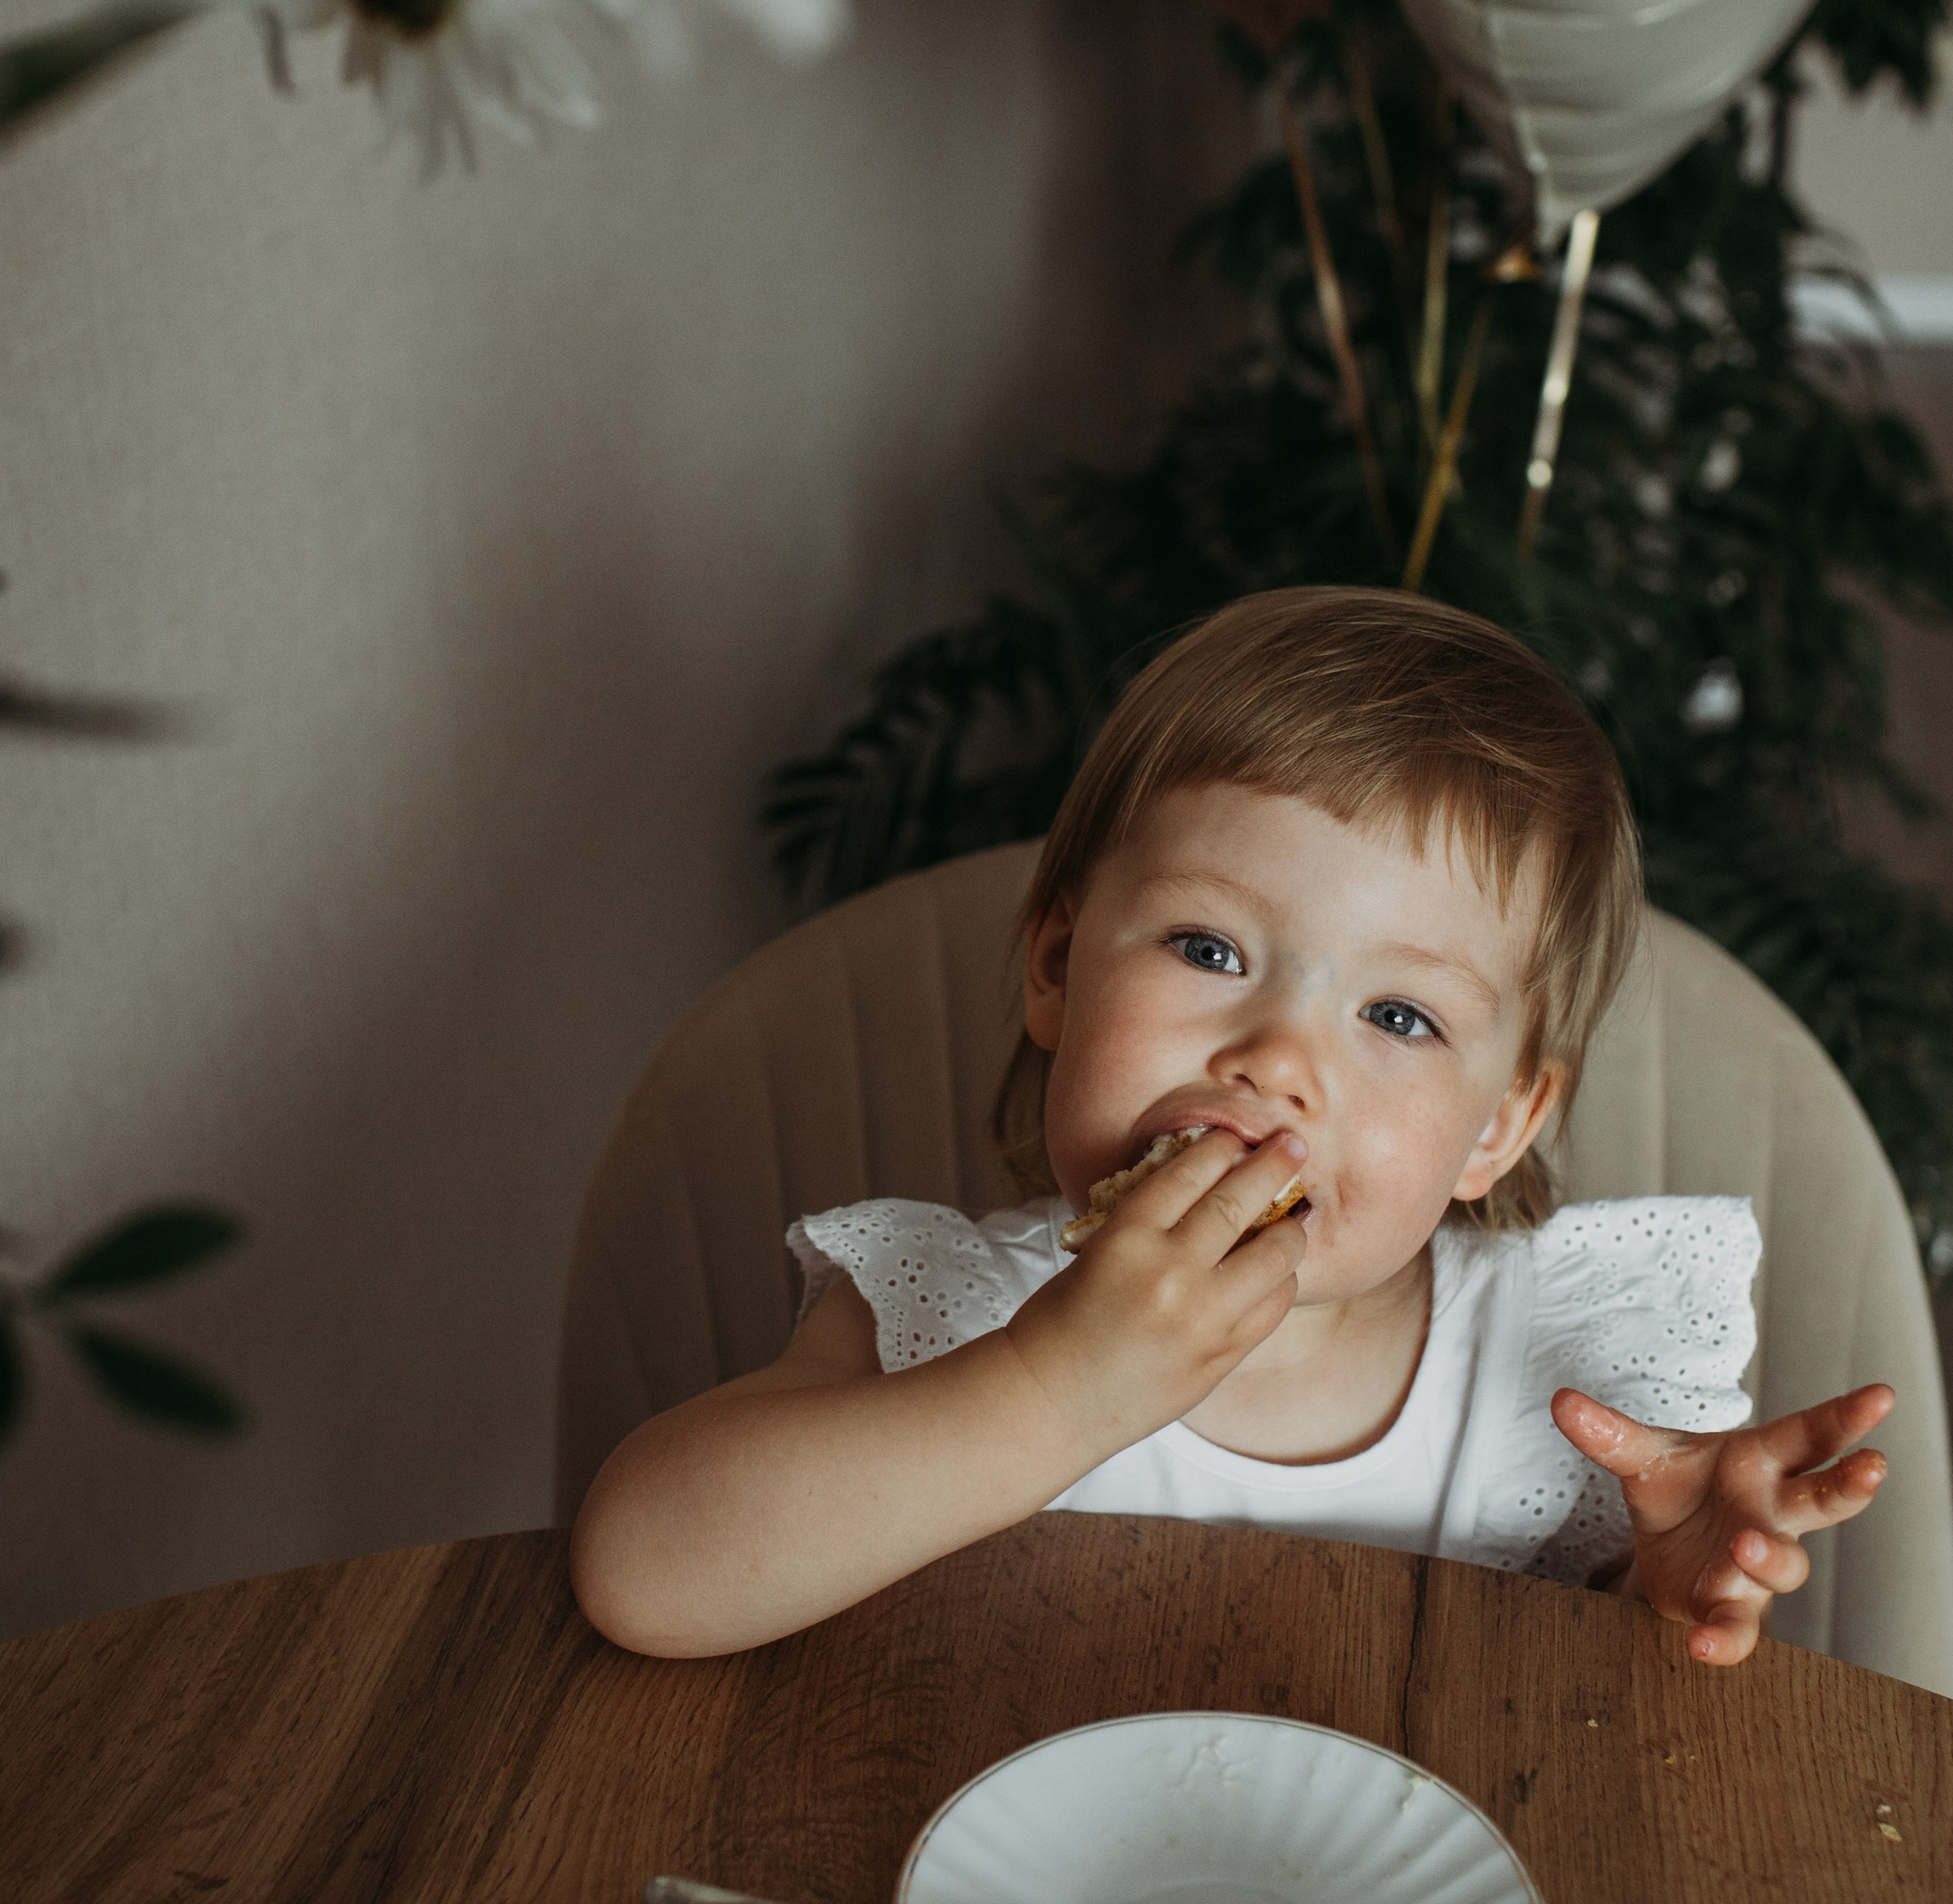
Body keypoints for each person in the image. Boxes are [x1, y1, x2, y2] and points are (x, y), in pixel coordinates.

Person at [572, 586, 1892, 1664]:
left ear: (1502, 1121)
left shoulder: (1559, 1372)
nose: (1276, 1058)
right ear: (1055, 965)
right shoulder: (948, 1312)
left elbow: (1590, 1750)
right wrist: (1048, 1391)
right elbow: (643, 1575)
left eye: (1398, 1018)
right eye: (1208, 947)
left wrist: (1653, 1595)